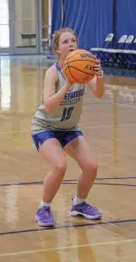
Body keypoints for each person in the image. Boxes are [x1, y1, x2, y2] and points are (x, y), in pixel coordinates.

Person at [31, 28, 105, 227]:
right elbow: (48, 104)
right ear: (57, 49)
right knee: (59, 165)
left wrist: (99, 75)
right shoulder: (53, 73)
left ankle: (79, 205)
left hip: (70, 128)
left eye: (73, 40)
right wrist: (67, 85)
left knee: (91, 167)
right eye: (65, 41)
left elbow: (98, 93)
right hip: (45, 127)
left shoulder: (84, 68)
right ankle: (43, 208)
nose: (71, 44)